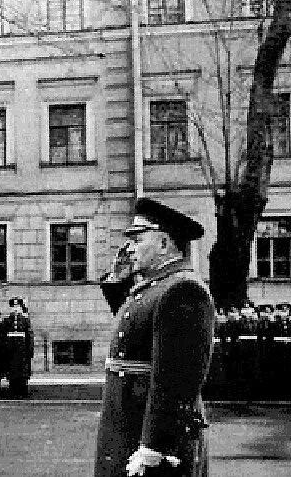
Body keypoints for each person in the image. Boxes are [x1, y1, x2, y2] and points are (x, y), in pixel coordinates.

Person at [94, 198, 214, 477]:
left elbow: (177, 382)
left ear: (163, 244)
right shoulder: (154, 287)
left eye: (138, 238)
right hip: (130, 428)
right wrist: (117, 279)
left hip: (154, 442)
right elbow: (134, 326)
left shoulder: (183, 290)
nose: (129, 247)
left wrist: (154, 447)